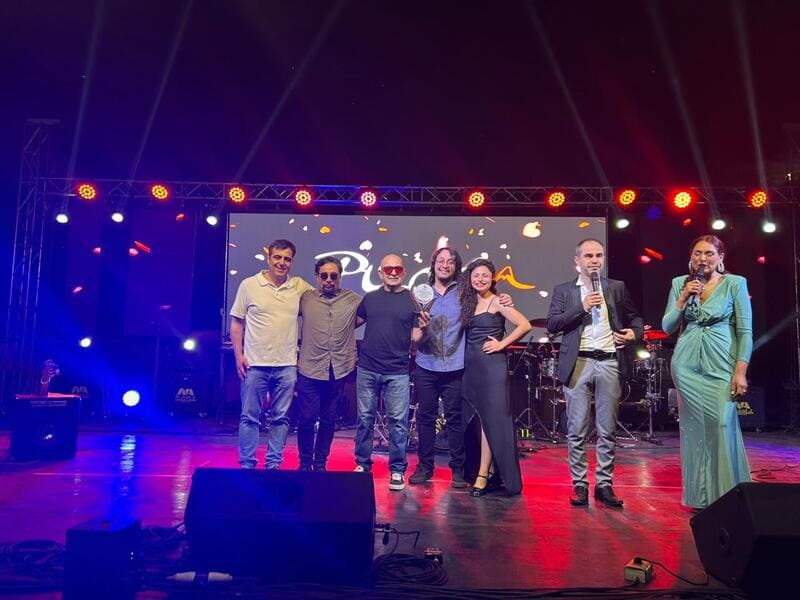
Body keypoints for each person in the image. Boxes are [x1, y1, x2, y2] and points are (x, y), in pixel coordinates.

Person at [546, 239, 642, 508]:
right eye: (588, 256)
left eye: (599, 255)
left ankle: (604, 484)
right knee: (577, 428)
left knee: (607, 428)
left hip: (609, 361)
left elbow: (635, 317)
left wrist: (634, 334)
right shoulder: (564, 290)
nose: (594, 260)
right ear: (577, 261)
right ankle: (579, 484)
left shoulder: (616, 287)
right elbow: (553, 323)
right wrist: (583, 306)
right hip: (579, 361)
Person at [410, 247, 513, 489]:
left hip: (456, 366)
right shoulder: (421, 294)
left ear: (456, 267)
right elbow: (414, 336)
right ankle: (425, 467)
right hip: (426, 364)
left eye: (450, 262)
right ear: (433, 264)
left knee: (455, 419)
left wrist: (504, 298)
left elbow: (488, 297)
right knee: (425, 418)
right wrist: (422, 329)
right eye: (440, 261)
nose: (445, 265)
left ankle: (458, 469)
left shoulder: (465, 293)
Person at [662, 235, 752, 509]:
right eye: (698, 253)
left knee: (722, 425)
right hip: (686, 364)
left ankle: (727, 496)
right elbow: (667, 327)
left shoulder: (735, 283)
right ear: (691, 257)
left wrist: (740, 371)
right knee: (695, 430)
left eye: (710, 253)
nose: (703, 258)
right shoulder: (680, 283)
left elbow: (745, 331)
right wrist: (682, 298)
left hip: (721, 363)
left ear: (720, 258)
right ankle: (700, 497)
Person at [229, 239, 312, 469]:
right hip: (254, 364)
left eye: (287, 259)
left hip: (287, 365)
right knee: (249, 417)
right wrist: (238, 355)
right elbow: (237, 322)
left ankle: (273, 465)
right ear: (269, 258)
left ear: (292, 262)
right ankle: (247, 466)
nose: (282, 263)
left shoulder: (299, 286)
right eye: (277, 257)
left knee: (281, 418)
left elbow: (322, 304)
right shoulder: (249, 285)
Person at [354, 254, 429, 491]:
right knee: (364, 419)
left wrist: (423, 331)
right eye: (388, 269)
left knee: (398, 422)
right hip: (367, 367)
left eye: (397, 268)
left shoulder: (413, 300)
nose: (393, 272)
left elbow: (416, 337)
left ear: (404, 272)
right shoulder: (370, 298)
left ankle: (397, 470)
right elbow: (352, 322)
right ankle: (362, 465)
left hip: (397, 370)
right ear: (380, 272)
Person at [459, 259, 531, 497]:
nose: (480, 279)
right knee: (478, 421)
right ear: (470, 278)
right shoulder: (467, 303)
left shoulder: (498, 301)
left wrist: (502, 344)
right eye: (476, 275)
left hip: (492, 369)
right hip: (471, 368)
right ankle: (488, 472)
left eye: (485, 275)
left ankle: (483, 474)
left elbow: (524, 325)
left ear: (492, 279)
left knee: (492, 421)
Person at [296, 256, 361, 472]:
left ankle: (320, 463)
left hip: (338, 370)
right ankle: (305, 463)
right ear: (317, 277)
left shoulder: (353, 299)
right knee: (306, 419)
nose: (329, 280)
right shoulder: (305, 299)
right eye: (324, 275)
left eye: (334, 275)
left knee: (328, 420)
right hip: (310, 368)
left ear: (340, 277)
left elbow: (368, 316)